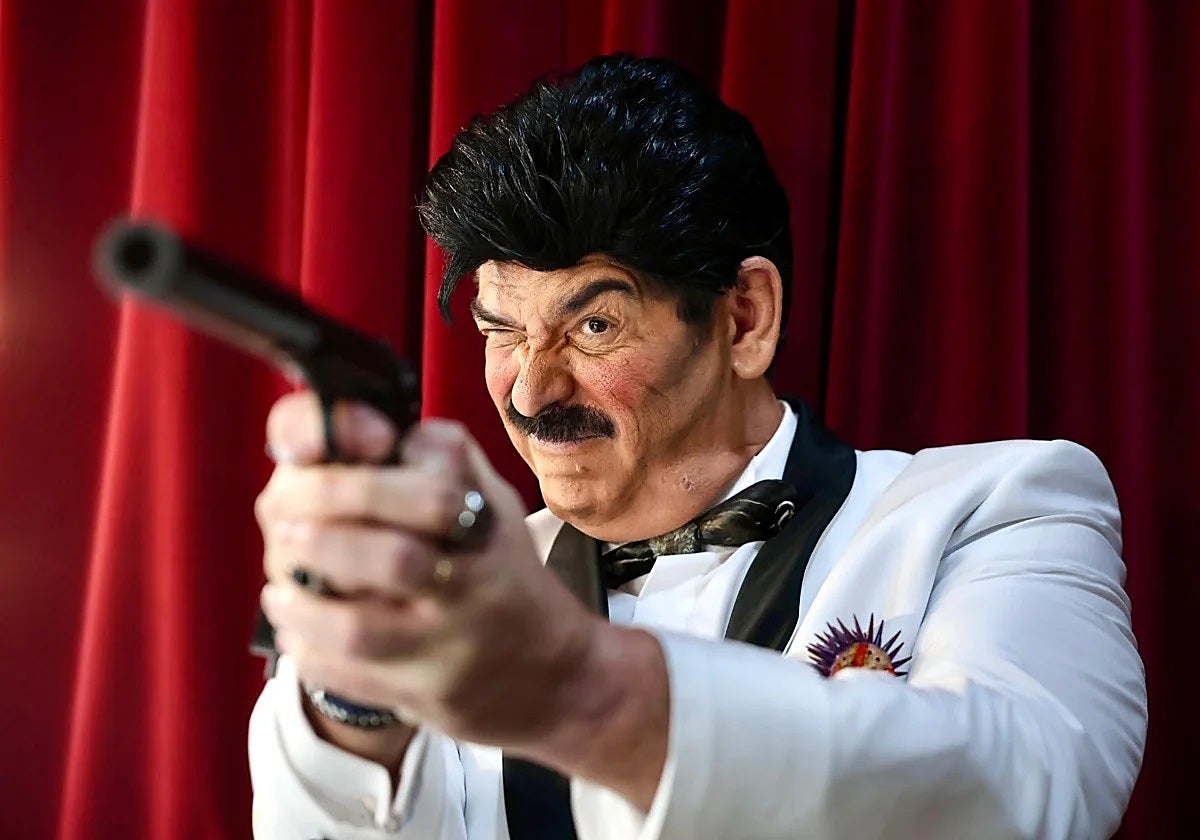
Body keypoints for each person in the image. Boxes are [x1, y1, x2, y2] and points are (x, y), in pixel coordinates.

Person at [248, 54, 1147, 839]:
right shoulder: (465, 583)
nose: (530, 393)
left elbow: (1025, 793)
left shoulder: (999, 509)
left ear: (745, 319)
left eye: (594, 326)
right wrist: (355, 683)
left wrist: (577, 685)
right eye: (502, 332)